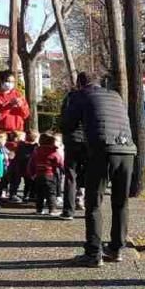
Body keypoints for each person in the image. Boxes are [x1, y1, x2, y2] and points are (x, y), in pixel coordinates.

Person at [61, 72, 137, 267]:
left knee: (93, 202)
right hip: (128, 150)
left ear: (80, 83)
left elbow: (68, 125)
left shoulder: (80, 95)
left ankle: (93, 253)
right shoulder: (115, 95)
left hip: (103, 150)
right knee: (121, 202)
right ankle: (117, 248)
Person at [59, 73, 91, 219]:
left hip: (72, 139)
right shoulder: (94, 97)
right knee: (90, 174)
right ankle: (86, 204)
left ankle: (68, 210)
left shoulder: (71, 97)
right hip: (89, 140)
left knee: (71, 175)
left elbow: (64, 119)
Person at [28, 132, 64, 216]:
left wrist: (31, 174)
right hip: (50, 174)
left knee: (39, 193)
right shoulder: (53, 151)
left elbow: (31, 163)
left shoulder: (36, 151)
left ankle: (39, 210)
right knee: (51, 193)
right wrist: (63, 170)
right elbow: (60, 162)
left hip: (38, 175)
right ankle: (52, 210)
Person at [7, 130, 37, 202]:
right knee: (28, 182)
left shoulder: (19, 145)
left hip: (19, 166)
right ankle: (28, 195)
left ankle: (13, 194)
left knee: (15, 182)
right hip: (29, 167)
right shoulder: (35, 146)